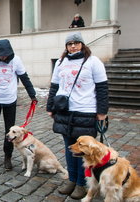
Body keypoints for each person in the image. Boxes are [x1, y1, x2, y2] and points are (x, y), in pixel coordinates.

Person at [46, 32, 108, 200]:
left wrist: (102, 112)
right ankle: (72, 180)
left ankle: (82, 183)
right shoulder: (61, 62)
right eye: (69, 43)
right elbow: (54, 86)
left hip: (85, 111)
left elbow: (102, 88)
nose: (73, 46)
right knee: (70, 148)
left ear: (82, 44)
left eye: (76, 43)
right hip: (65, 110)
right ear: (66, 46)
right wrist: (50, 107)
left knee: (84, 152)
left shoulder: (93, 62)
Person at [0, 39, 37, 169]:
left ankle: (8, 157)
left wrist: (32, 95)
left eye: (6, 55)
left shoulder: (16, 60)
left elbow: (24, 78)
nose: (3, 57)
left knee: (9, 130)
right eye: (1, 55)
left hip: (10, 100)